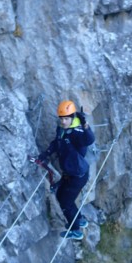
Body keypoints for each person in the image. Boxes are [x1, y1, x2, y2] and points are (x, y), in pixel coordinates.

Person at [38, 100, 95, 240]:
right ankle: (80, 220)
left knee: (65, 202)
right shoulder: (63, 130)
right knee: (60, 196)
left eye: (66, 119)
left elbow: (89, 140)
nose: (63, 121)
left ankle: (76, 230)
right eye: (62, 119)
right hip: (70, 173)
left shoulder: (77, 132)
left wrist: (85, 124)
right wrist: (46, 154)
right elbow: (57, 143)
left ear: (72, 117)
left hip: (77, 175)